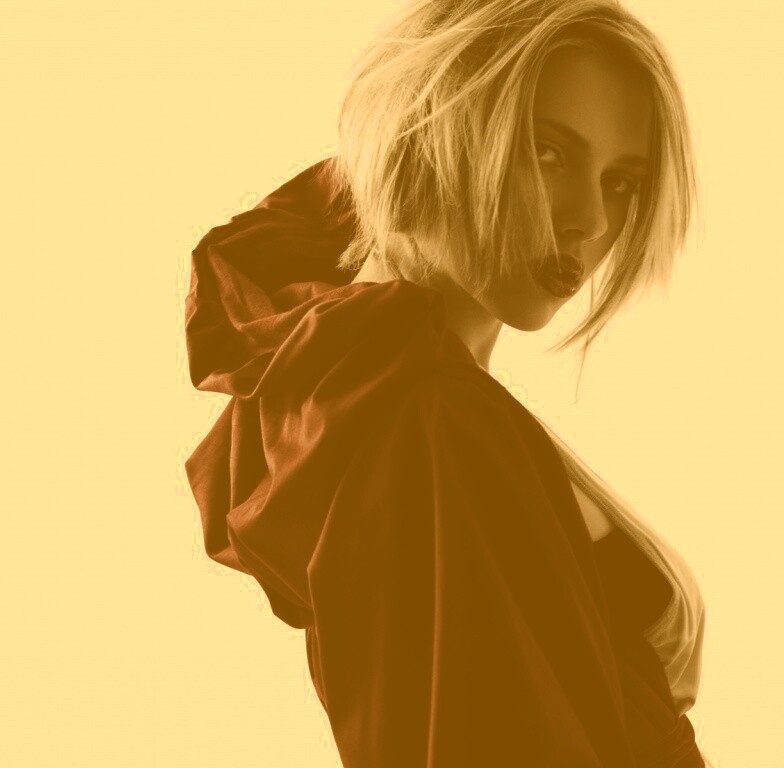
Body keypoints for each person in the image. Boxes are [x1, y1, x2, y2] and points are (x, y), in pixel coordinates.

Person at [183, 0, 711, 765]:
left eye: (622, 181)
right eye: (546, 153)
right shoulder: (430, 417)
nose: (591, 220)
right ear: (434, 135)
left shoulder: (368, 391)